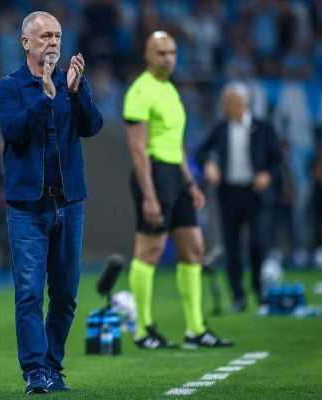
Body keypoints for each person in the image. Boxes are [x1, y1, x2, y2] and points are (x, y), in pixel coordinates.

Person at [0, 11, 103, 394]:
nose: (53, 42)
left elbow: (92, 126)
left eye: (57, 35)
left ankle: (53, 366)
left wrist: (76, 91)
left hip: (69, 205)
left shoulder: (70, 81)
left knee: (66, 296)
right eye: (45, 36)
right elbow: (13, 132)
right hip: (28, 207)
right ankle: (35, 370)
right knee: (28, 293)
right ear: (26, 42)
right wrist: (44, 98)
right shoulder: (9, 87)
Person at [123, 31, 232, 351]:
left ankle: (195, 329)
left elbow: (178, 143)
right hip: (154, 173)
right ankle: (143, 330)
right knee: (150, 251)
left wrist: (190, 182)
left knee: (194, 249)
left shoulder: (170, 90)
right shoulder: (140, 91)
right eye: (161, 53)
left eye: (172, 52)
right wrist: (149, 195)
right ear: (147, 55)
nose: (168, 58)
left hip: (175, 174)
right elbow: (138, 150)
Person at [195, 82, 281, 313]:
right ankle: (238, 296)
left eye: (228, 100)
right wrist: (209, 164)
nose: (224, 105)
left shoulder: (262, 127)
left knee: (257, 243)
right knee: (231, 246)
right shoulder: (220, 128)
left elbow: (276, 159)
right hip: (229, 192)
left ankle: (259, 290)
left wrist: (267, 175)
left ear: (242, 102)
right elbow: (200, 151)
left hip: (255, 193)